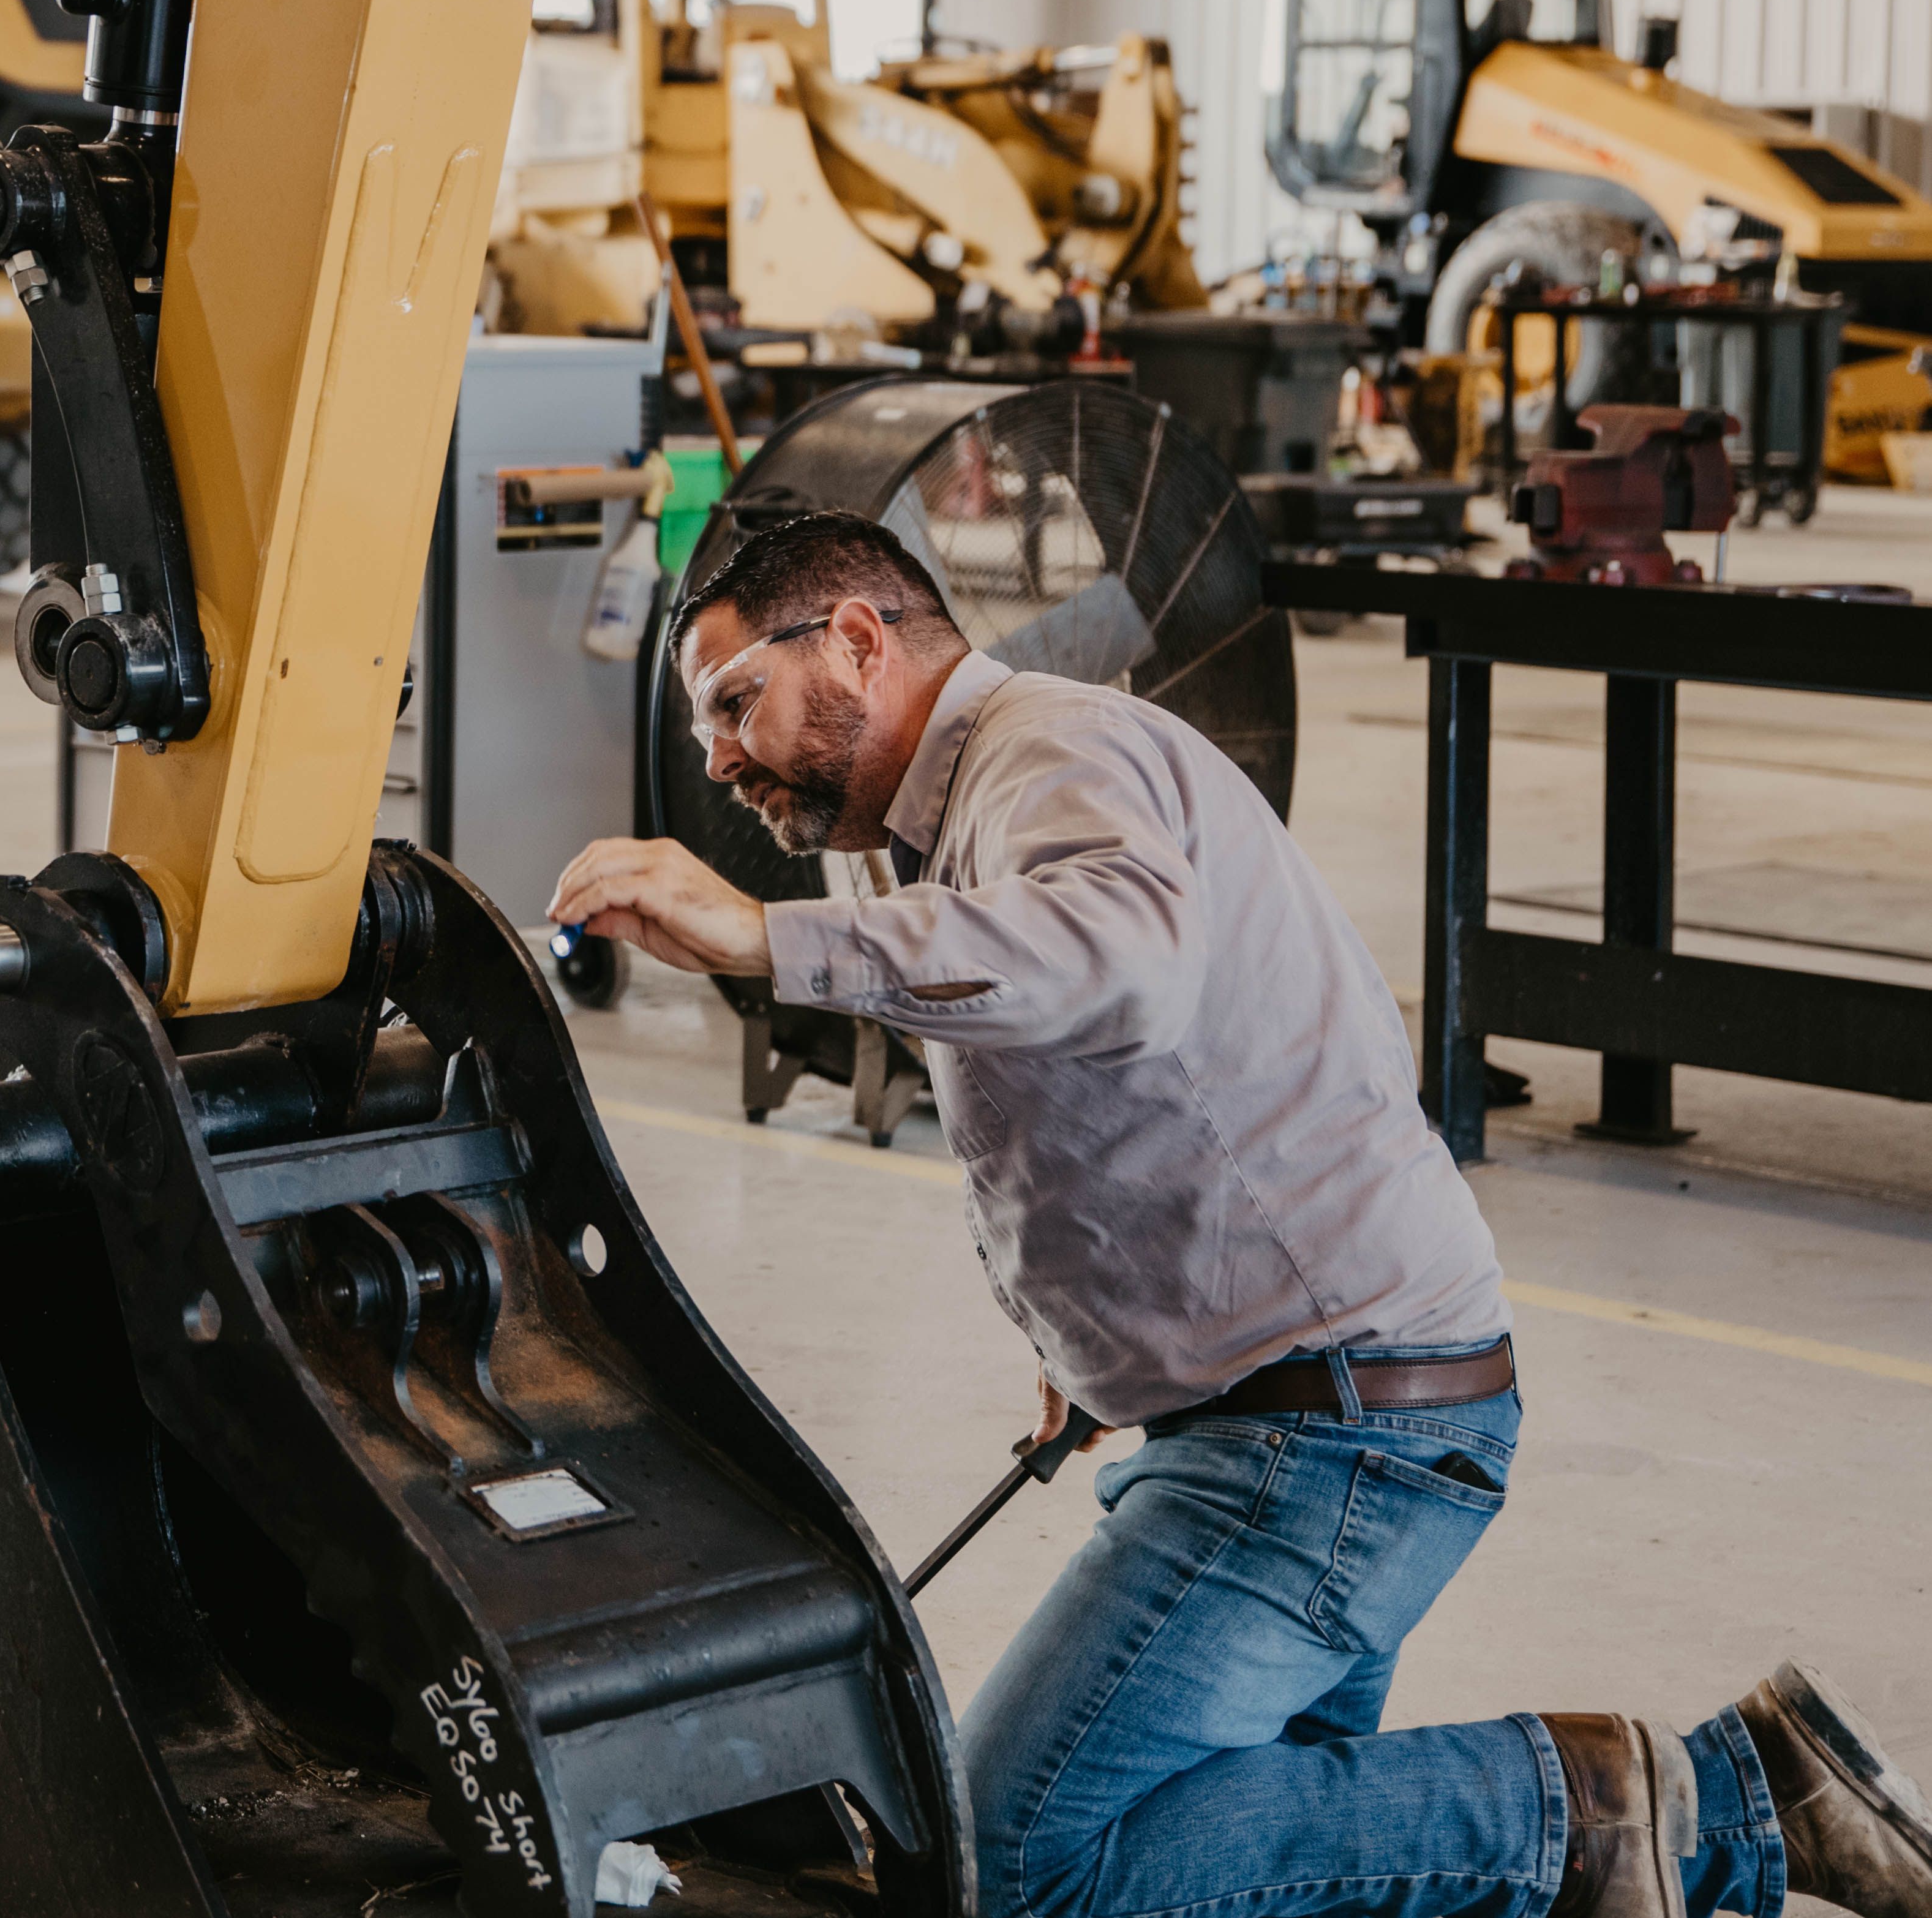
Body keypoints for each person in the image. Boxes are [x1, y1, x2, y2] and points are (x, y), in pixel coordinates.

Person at [551, 512, 1932, 1918]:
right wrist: (1099, 1341)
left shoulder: (1046, 753)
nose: (719, 760)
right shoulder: (945, 818)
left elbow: (1118, 960)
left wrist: (762, 937)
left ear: (853, 640)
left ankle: (1700, 1802)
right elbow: (1136, 1068)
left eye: (736, 704)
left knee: (1018, 1863)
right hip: (1303, 1405)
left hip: (1328, 1435)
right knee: (1244, 1875)